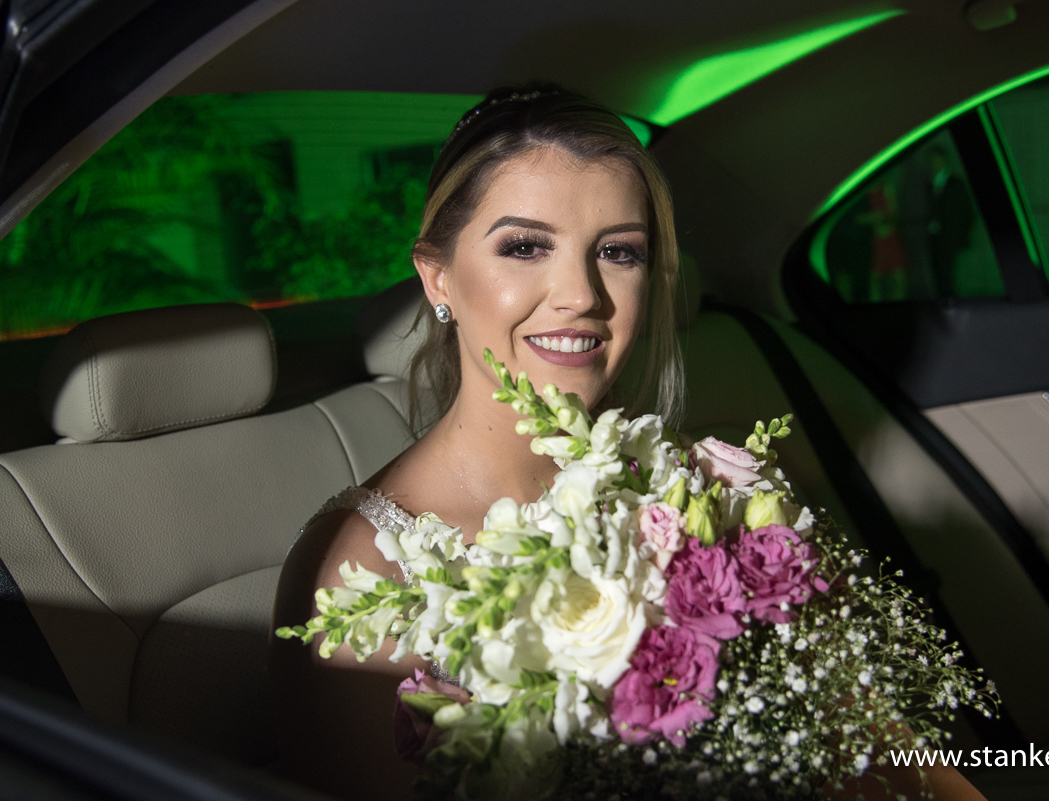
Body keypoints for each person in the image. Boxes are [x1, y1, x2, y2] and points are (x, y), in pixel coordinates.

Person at [269, 84, 986, 801]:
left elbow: (876, 742)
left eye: (617, 251)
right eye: (525, 246)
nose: (581, 294)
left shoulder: (703, 491)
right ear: (438, 277)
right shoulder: (357, 575)